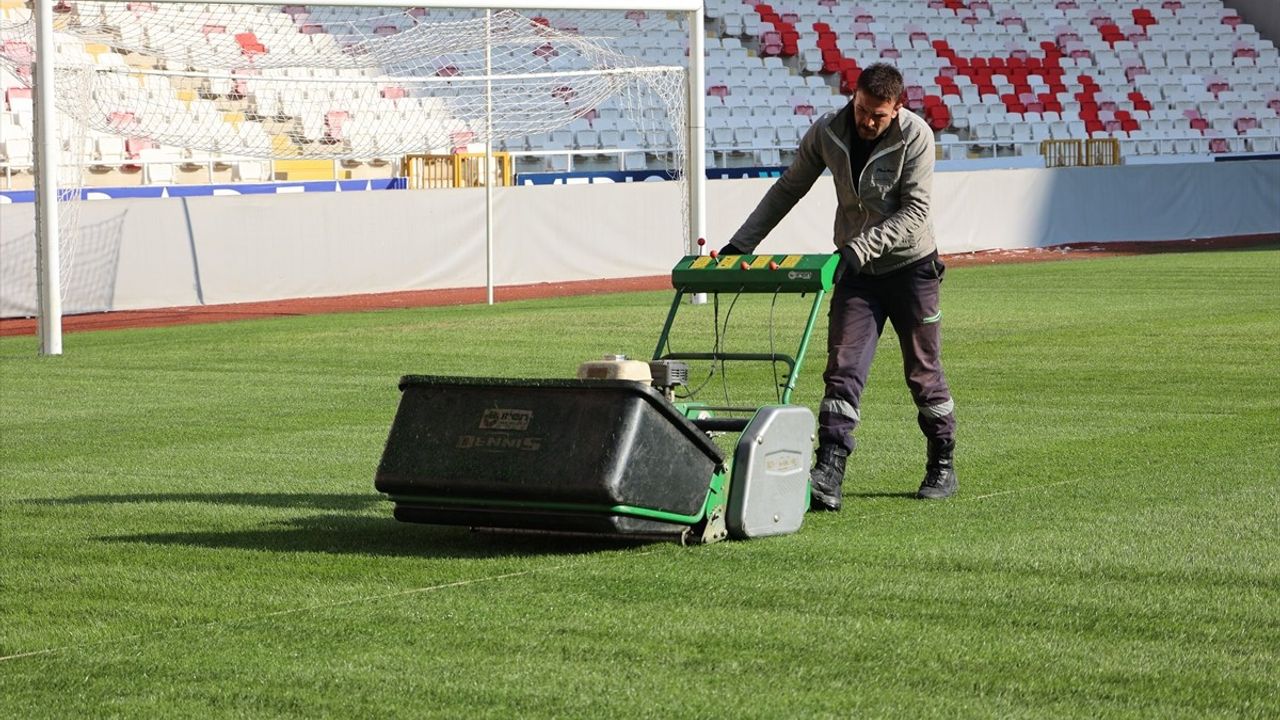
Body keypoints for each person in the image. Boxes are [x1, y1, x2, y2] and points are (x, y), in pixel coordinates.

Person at [719, 63, 957, 509]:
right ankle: (829, 470)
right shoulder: (827, 132)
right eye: (863, 109)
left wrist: (857, 247)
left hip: (912, 269)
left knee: (923, 374)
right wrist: (740, 244)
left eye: (878, 115)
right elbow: (789, 188)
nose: (868, 121)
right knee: (843, 370)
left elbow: (916, 213)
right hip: (857, 276)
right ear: (855, 97)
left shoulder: (917, 137)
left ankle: (941, 462)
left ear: (897, 108)